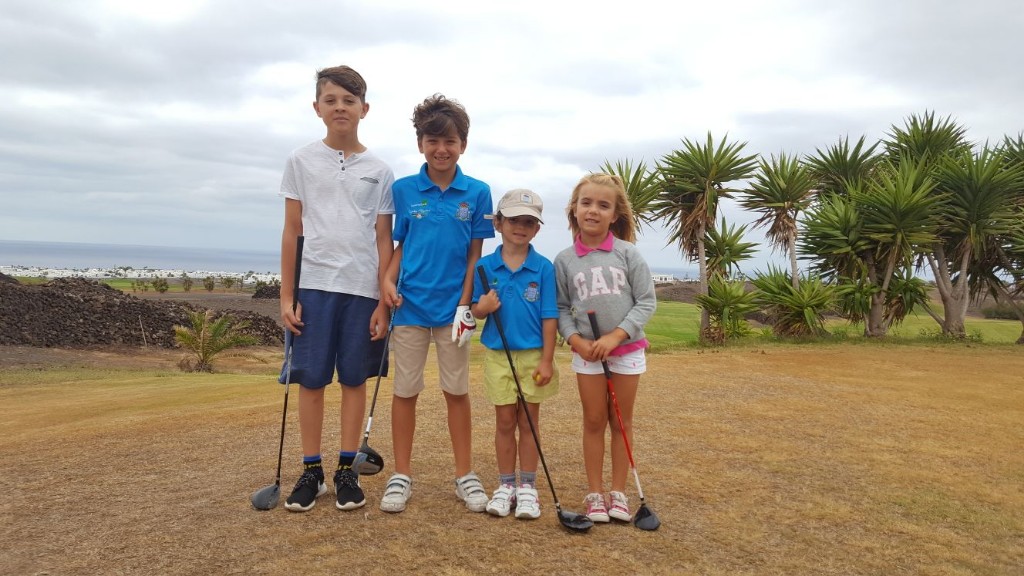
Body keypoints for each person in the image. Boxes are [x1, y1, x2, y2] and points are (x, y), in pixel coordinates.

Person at [278, 65, 394, 513]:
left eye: (349, 100)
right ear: (317, 108)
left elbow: (383, 238)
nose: (340, 107)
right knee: (310, 381)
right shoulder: (300, 161)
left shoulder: (380, 170)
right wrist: (286, 297)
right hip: (314, 286)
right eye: (331, 100)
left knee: (353, 380)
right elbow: (292, 231)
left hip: (363, 290)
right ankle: (312, 471)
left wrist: (384, 299)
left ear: (364, 109)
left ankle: (347, 469)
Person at [379, 94, 494, 513]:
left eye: (450, 141)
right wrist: (387, 283)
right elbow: (402, 245)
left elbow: (473, 255)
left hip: (454, 311)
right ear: (420, 143)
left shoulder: (478, 193)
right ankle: (401, 475)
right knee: (405, 391)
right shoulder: (404, 190)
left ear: (463, 144)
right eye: (432, 140)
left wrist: (465, 305)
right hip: (408, 307)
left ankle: (465, 475)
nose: (441, 149)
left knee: (456, 391)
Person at [553, 173, 657, 523]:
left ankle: (617, 493)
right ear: (574, 210)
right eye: (586, 203)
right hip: (588, 356)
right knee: (594, 420)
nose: (593, 210)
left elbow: (645, 302)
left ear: (615, 215)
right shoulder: (565, 259)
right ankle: (595, 493)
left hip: (626, 353)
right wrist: (576, 340)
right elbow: (562, 308)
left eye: (603, 205)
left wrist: (616, 336)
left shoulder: (628, 254)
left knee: (620, 422)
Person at [471, 189, 559, 520]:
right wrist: (484, 307)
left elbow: (550, 316)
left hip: (535, 354)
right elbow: (475, 311)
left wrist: (548, 359)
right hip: (497, 355)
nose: (520, 227)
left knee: (529, 422)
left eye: (528, 222)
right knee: (505, 421)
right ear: (498, 223)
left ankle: (528, 488)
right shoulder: (485, 265)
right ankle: (506, 485)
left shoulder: (543, 268)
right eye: (513, 220)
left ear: (536, 229)